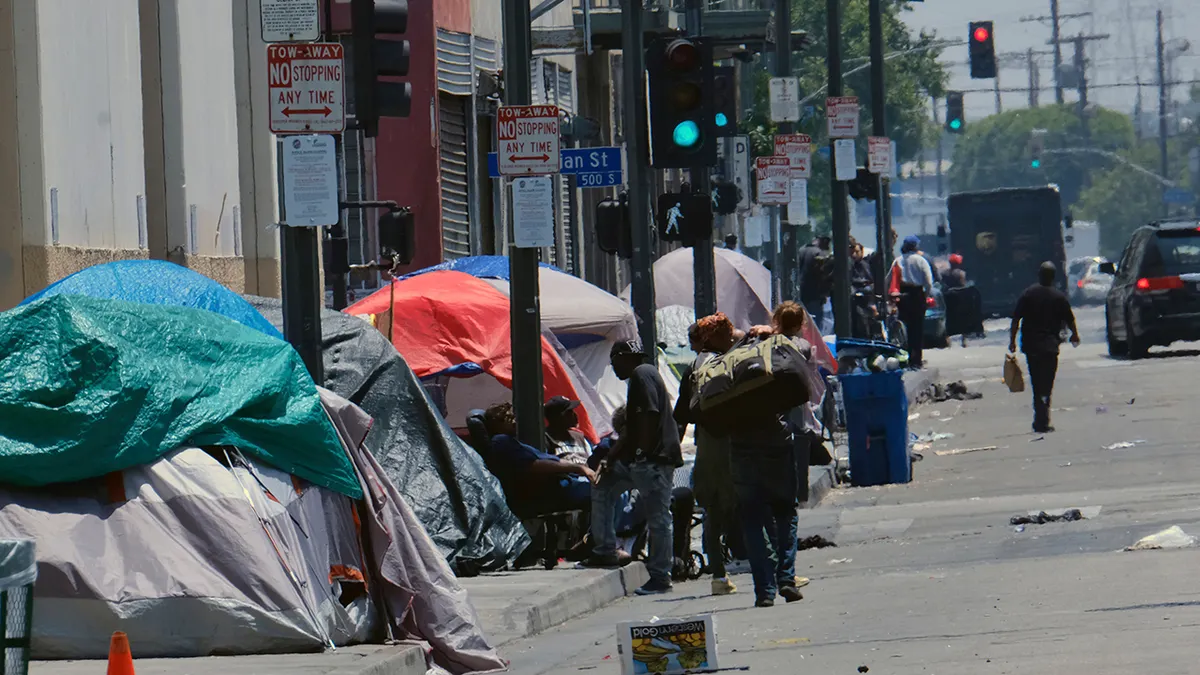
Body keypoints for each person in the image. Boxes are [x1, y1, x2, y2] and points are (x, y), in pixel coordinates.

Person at [728, 302, 815, 608]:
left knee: (752, 518)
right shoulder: (797, 348)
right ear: (801, 322)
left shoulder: (744, 349)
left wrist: (757, 333)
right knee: (785, 512)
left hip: (740, 444)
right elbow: (807, 383)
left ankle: (764, 590)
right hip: (778, 442)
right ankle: (786, 578)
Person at [586, 341, 683, 595]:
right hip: (642, 461)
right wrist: (611, 458)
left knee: (659, 519)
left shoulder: (642, 374)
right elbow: (630, 428)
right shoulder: (641, 376)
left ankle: (661, 577)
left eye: (613, 361)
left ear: (623, 357)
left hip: (653, 460)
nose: (613, 367)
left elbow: (649, 416)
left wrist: (641, 452)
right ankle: (605, 550)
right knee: (603, 485)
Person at [674, 313, 741, 596]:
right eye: (726, 334)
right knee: (742, 505)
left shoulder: (693, 367)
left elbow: (681, 414)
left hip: (708, 446)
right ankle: (772, 571)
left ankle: (719, 575)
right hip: (731, 445)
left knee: (713, 510)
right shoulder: (729, 362)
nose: (730, 338)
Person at [483, 403, 596, 517]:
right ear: (497, 424)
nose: (515, 422)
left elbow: (553, 460)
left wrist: (582, 469)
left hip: (564, 484)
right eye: (509, 419)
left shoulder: (515, 443)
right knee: (602, 494)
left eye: (514, 418)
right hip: (551, 492)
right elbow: (533, 465)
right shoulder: (501, 441)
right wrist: (578, 468)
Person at [1009, 262, 1080, 433]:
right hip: (1050, 347)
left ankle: (1039, 418)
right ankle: (1043, 418)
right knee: (1047, 384)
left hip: (1032, 346)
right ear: (1053, 277)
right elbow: (1070, 319)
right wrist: (1075, 335)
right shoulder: (1058, 297)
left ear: (1039, 275)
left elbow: (1016, 319)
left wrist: (1012, 341)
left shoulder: (1028, 294)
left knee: (1036, 382)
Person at [894, 235, 934, 369]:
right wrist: (926, 295)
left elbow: (888, 280)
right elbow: (928, 282)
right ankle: (916, 360)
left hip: (903, 295)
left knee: (904, 328)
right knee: (917, 329)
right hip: (917, 295)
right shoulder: (921, 261)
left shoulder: (898, 261)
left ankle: (905, 357)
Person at [545, 396, 591, 465]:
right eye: (570, 412)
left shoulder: (579, 437)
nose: (575, 415)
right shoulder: (546, 438)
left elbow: (591, 463)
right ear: (558, 417)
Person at [797, 236, 832, 324]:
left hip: (801, 291)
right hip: (815, 294)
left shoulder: (801, 250)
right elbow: (822, 274)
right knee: (816, 323)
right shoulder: (819, 253)